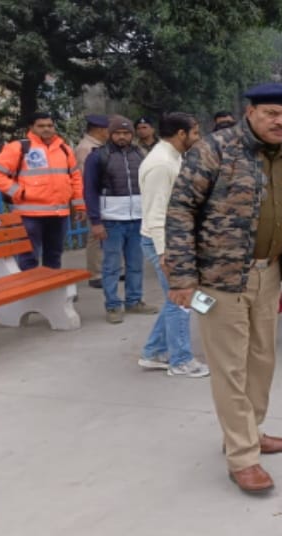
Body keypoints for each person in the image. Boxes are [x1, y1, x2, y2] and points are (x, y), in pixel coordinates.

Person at [165, 83, 282, 493]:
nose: (280, 121)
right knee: (229, 367)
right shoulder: (215, 149)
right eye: (272, 113)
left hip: (268, 274)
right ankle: (242, 456)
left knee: (262, 361)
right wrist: (182, 279)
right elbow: (180, 211)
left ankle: (249, 430)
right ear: (250, 112)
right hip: (219, 280)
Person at [137, 112, 209, 377]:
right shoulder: (161, 164)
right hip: (164, 242)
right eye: (195, 133)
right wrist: (165, 253)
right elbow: (156, 213)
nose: (198, 138)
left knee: (175, 298)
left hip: (173, 240)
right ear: (181, 134)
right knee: (182, 299)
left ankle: (154, 351)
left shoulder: (172, 158)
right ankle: (180, 360)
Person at [0, 112, 85, 270]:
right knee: (28, 257)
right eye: (41, 126)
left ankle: (51, 292)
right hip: (30, 215)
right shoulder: (19, 147)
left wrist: (79, 205)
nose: (46, 129)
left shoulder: (64, 149)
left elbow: (75, 178)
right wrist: (19, 191)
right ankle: (29, 292)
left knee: (54, 255)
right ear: (31, 127)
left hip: (59, 214)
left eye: (50, 125)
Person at [84, 115, 159, 324]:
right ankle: (113, 305)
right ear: (110, 134)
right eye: (118, 133)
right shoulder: (97, 156)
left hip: (138, 218)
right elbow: (89, 190)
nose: (122, 137)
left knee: (136, 264)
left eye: (126, 133)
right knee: (111, 266)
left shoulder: (140, 154)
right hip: (111, 220)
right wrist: (96, 221)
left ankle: (134, 301)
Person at [74, 114, 109, 288]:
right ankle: (94, 273)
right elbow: (84, 177)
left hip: (103, 196)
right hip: (92, 195)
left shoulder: (99, 146)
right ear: (99, 130)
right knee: (95, 236)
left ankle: (105, 269)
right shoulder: (86, 148)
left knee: (104, 234)